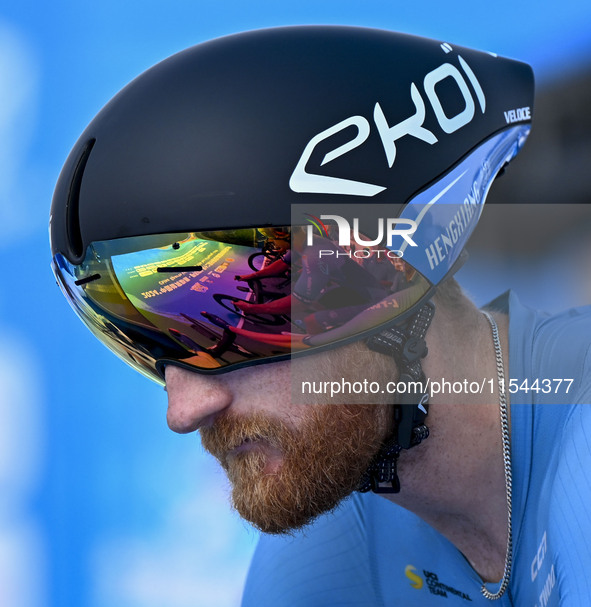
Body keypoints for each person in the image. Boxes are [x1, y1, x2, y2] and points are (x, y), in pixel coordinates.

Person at [49, 26, 590, 606]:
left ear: (386, 268)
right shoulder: (332, 547)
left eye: (228, 316)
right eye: (145, 343)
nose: (184, 410)